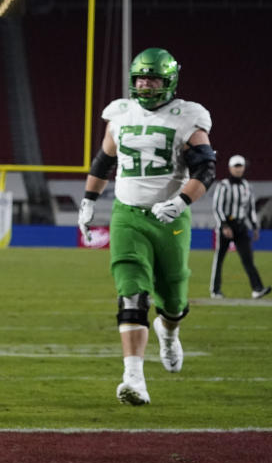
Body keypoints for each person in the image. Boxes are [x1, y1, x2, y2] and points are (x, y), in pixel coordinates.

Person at [78, 47, 216, 406]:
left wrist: (181, 201)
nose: (145, 84)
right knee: (132, 292)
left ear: (168, 81)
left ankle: (168, 334)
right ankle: (133, 378)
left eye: (152, 78)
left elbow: (206, 170)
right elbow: (104, 160)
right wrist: (89, 200)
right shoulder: (120, 114)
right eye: (140, 77)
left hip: (169, 217)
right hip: (127, 215)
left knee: (173, 297)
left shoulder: (186, 116)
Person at [210, 154, 270, 299]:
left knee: (248, 259)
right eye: (236, 166)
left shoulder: (247, 186)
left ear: (244, 168)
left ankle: (257, 289)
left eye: (240, 166)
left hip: (241, 226)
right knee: (219, 258)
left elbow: (250, 209)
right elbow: (217, 207)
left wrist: (255, 226)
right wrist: (224, 225)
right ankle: (215, 290)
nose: (238, 169)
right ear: (230, 168)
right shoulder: (223, 185)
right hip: (226, 226)